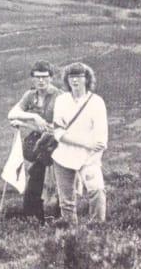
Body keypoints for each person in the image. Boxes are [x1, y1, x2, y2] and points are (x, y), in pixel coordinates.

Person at [51, 62, 108, 224]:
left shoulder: (96, 102)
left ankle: (98, 229)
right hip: (63, 156)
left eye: (79, 77)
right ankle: (72, 236)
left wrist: (93, 158)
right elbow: (59, 133)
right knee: (66, 201)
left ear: (86, 79)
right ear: (67, 80)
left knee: (96, 191)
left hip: (88, 158)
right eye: (71, 77)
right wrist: (86, 143)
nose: (74, 81)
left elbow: (101, 139)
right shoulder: (61, 101)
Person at [8, 60, 62, 223]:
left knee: (59, 184)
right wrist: (34, 116)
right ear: (33, 78)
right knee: (35, 181)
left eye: (45, 77)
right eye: (37, 77)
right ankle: (34, 220)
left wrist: (24, 123)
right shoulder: (30, 95)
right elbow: (12, 113)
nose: (41, 81)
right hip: (41, 148)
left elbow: (54, 128)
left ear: (51, 77)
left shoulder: (59, 96)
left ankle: (61, 221)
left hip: (57, 145)